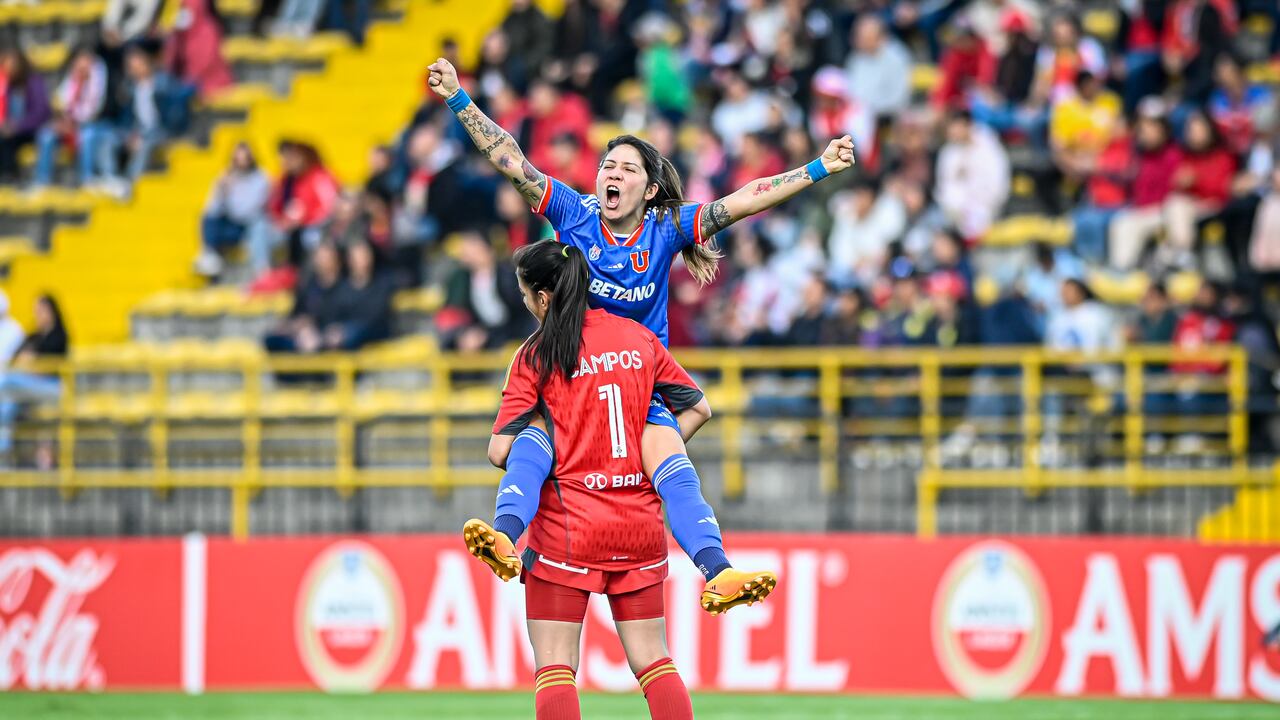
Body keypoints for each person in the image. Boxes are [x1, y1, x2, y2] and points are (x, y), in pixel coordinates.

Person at [430, 55, 854, 609]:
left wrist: (817, 168)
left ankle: (717, 570)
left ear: (650, 190)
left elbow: (745, 199)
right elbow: (511, 160)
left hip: (638, 383)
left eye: (628, 168)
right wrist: (460, 98)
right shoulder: (575, 213)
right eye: (608, 163)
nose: (612, 173)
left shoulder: (666, 228)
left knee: (671, 455)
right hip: (575, 373)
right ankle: (506, 538)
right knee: (531, 440)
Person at [462, 241, 719, 720]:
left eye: (524, 295)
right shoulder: (637, 338)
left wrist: (553, 438)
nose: (524, 303)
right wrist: (644, 456)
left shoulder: (537, 353)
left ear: (543, 297)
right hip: (637, 526)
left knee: (556, 667)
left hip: (568, 530)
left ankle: (507, 530)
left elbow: (501, 449)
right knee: (654, 662)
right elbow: (698, 407)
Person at [0, 294, 67, 462]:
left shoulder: (58, 336)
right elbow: (17, 358)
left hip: (52, 387)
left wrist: (30, 364)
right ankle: (4, 448)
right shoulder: (34, 336)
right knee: (9, 399)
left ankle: (4, 448)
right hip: (31, 386)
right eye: (36, 311)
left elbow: (47, 368)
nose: (38, 314)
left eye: (41, 310)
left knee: (7, 383)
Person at [196, 142, 271, 277]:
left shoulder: (261, 178)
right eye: (237, 159)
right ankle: (209, 255)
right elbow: (212, 208)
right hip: (231, 225)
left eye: (245, 158)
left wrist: (232, 202)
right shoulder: (227, 178)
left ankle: (261, 268)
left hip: (249, 226)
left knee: (259, 223)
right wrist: (222, 190)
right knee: (209, 216)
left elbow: (250, 210)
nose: (241, 163)